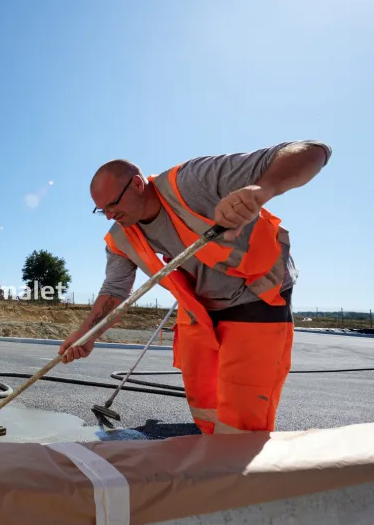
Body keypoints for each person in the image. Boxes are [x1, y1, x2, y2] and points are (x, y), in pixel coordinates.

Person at [59, 140, 331, 434]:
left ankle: (238, 463)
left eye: (113, 205)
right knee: (205, 401)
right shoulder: (121, 239)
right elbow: (115, 291)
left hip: (255, 293)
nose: (110, 215)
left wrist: (262, 189)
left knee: (242, 413)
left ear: (137, 184)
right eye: (102, 211)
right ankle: (214, 456)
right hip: (200, 309)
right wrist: (87, 334)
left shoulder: (191, 181)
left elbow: (314, 151)